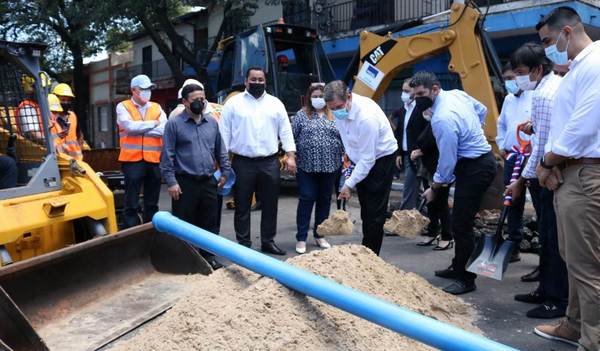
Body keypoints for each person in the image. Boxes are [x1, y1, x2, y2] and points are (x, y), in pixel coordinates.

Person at [533, 7, 600, 350]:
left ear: (568, 32)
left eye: (549, 41)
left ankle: (593, 340)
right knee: (574, 258)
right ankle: (575, 325)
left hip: (587, 173)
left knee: (588, 267)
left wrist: (546, 161)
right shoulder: (577, 69)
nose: (547, 48)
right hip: (571, 171)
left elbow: (584, 125)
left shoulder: (596, 62)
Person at [411, 71, 497, 295]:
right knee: (461, 220)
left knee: (461, 223)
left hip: (475, 166)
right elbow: (482, 110)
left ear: (435, 89)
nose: (417, 99)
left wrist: (434, 188)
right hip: (476, 162)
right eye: (414, 95)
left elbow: (447, 161)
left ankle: (466, 279)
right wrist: (474, 130)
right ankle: (458, 265)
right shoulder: (457, 94)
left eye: (421, 94)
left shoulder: (442, 119)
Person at [505, 42, 567, 320]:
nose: (517, 78)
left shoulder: (543, 95)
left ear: (538, 69)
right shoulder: (555, 85)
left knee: (552, 239)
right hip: (553, 170)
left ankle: (556, 299)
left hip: (548, 175)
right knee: (548, 236)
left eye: (520, 72)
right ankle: (545, 289)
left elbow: (541, 145)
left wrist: (521, 180)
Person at [219, 67, 296, 255]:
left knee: (270, 204)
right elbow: (224, 133)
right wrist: (222, 162)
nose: (257, 82)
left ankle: (268, 241)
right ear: (246, 81)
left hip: (269, 162)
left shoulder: (275, 103)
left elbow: (285, 130)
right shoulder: (233, 103)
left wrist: (291, 155)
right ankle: (243, 243)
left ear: (265, 82)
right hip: (242, 162)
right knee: (242, 205)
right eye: (253, 79)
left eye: (261, 79)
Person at [160, 84, 231, 270]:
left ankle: (209, 258)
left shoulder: (212, 123)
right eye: (195, 100)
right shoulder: (174, 124)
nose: (200, 102)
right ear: (184, 102)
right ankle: (186, 262)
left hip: (209, 181)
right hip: (184, 183)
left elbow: (220, 150)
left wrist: (225, 171)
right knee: (185, 225)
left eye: (202, 99)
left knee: (209, 223)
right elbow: (167, 155)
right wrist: (171, 182)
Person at [323, 80, 398, 256]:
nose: (335, 112)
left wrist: (349, 184)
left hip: (381, 160)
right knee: (365, 206)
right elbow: (348, 140)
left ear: (349, 96)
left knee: (374, 211)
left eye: (338, 107)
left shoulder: (366, 117)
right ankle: (367, 247)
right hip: (361, 159)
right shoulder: (340, 111)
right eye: (331, 109)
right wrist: (349, 166)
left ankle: (371, 255)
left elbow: (368, 160)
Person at [291, 83, 343, 254]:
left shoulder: (336, 115)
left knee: (325, 200)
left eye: (321, 96)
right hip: (307, 167)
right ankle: (301, 237)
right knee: (306, 199)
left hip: (330, 167)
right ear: (309, 98)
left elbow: (346, 136)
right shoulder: (301, 115)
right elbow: (291, 137)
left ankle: (320, 235)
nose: (318, 99)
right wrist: (291, 155)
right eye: (315, 96)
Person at [116, 74, 167, 228]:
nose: (148, 92)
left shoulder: (156, 107)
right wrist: (153, 123)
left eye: (149, 89)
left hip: (153, 160)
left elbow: (164, 129)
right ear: (134, 90)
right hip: (132, 160)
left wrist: (141, 128)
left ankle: (152, 230)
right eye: (144, 89)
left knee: (152, 203)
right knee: (131, 202)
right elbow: (129, 128)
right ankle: (130, 231)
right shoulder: (123, 106)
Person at [495, 62, 533, 262]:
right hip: (512, 157)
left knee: (540, 202)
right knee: (512, 201)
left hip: (531, 157)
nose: (509, 83)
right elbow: (501, 124)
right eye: (506, 79)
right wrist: (501, 144)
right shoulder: (509, 100)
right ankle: (513, 245)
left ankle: (547, 256)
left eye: (512, 78)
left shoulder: (535, 96)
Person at [411, 114, 452, 250]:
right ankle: (432, 232)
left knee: (441, 203)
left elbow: (437, 143)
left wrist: (422, 151)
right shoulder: (429, 123)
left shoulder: (443, 122)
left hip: (440, 168)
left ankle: (447, 236)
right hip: (428, 168)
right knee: (431, 203)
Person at [392, 78, 427, 210]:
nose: (403, 94)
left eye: (406, 91)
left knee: (409, 187)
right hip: (406, 154)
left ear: (415, 91)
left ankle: (402, 218)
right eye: (403, 91)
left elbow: (427, 132)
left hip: (418, 155)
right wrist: (399, 153)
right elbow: (400, 133)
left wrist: (420, 150)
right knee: (414, 189)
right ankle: (423, 216)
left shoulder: (421, 109)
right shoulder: (403, 110)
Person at [51, 84, 83, 160]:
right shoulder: (50, 116)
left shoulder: (72, 115)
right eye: (63, 100)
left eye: (68, 100)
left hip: (75, 161)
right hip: (59, 161)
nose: (66, 102)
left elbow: (80, 135)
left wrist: (80, 151)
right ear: (55, 99)